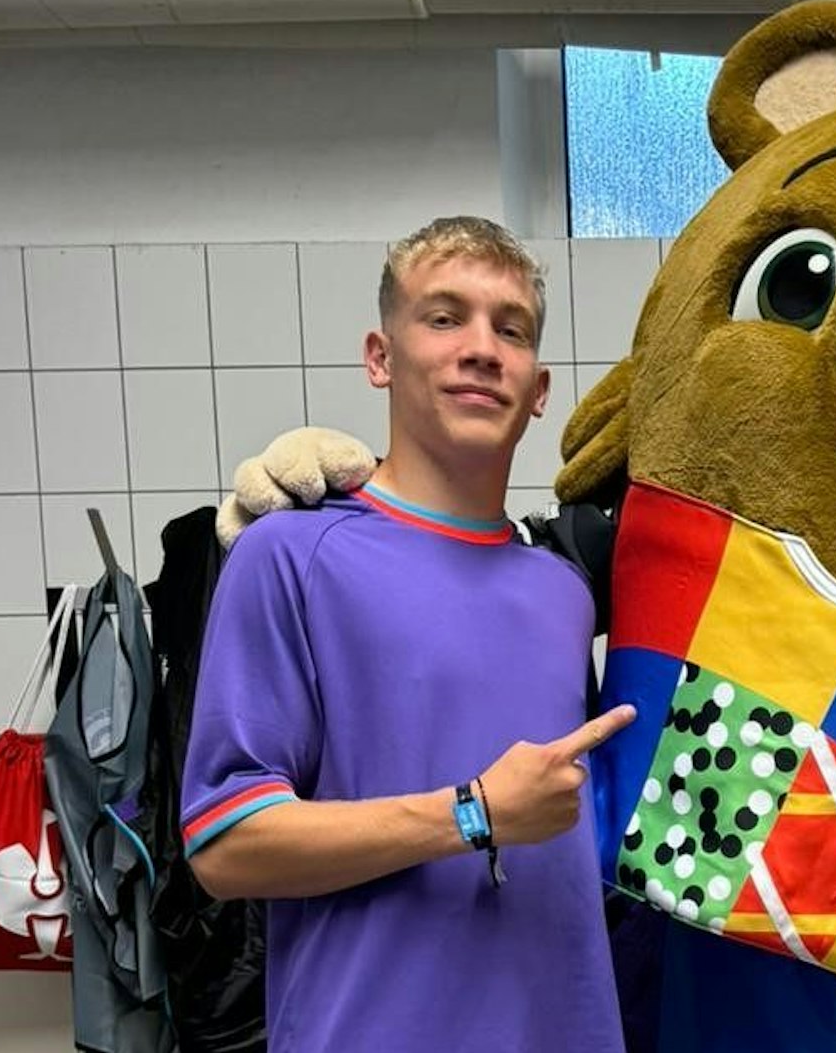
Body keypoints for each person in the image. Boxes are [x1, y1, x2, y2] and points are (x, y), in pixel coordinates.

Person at [180, 216, 634, 1052]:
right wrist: (473, 814)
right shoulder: (289, 552)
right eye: (443, 317)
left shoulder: (563, 590)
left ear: (539, 390)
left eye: (511, 329)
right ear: (380, 358)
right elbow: (225, 842)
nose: (481, 347)